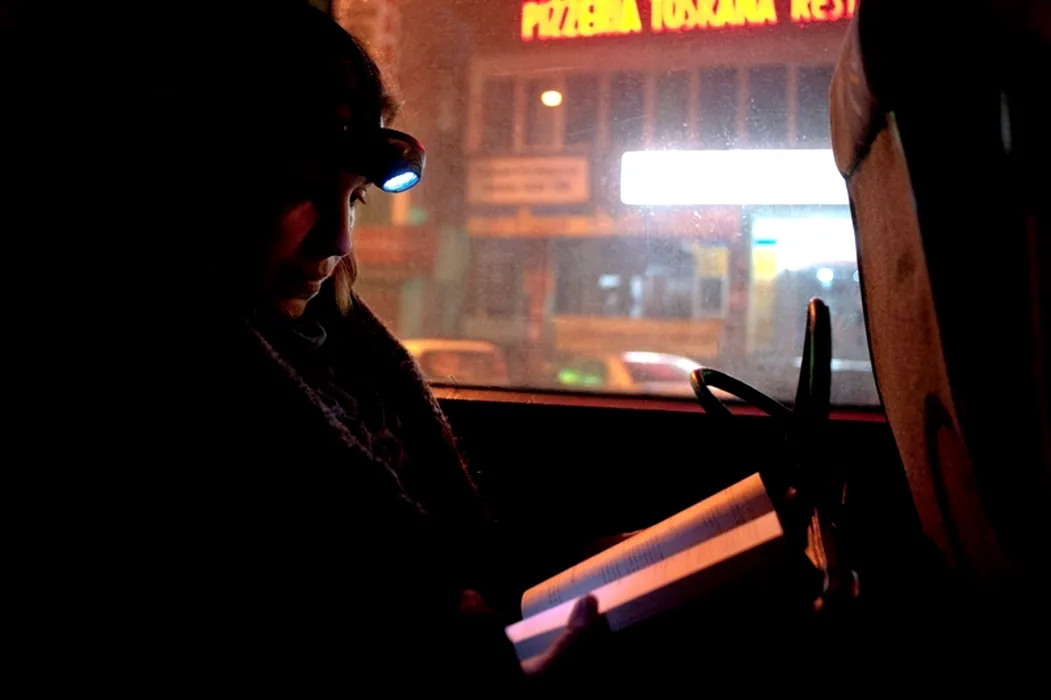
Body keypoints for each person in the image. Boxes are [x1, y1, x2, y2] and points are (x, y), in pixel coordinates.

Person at [80, 1, 605, 692]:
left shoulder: (344, 350)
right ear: (198, 186)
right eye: (300, 191)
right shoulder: (165, 382)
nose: (337, 240)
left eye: (354, 199)